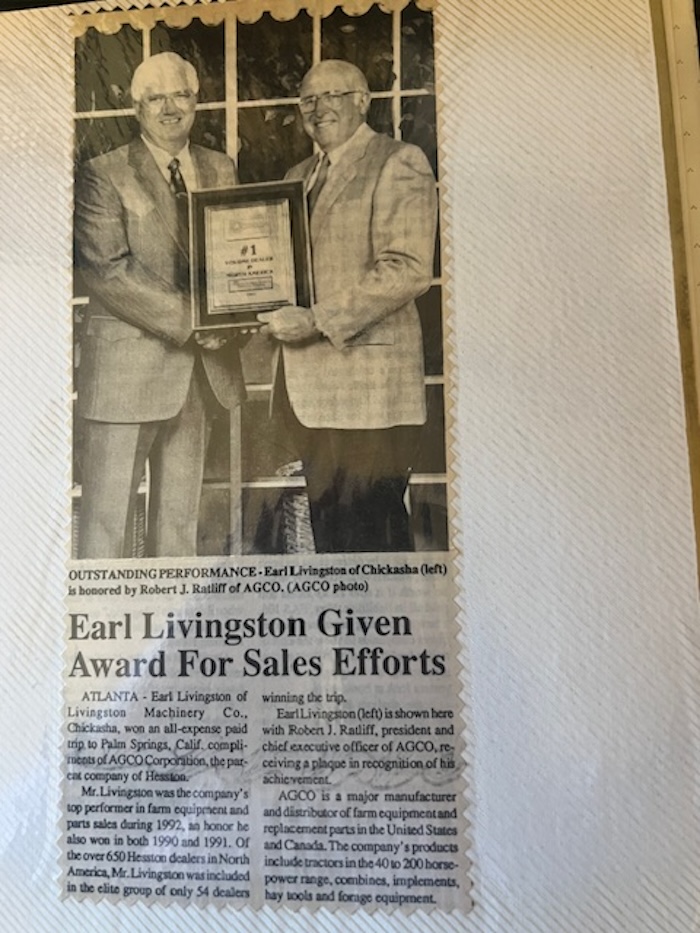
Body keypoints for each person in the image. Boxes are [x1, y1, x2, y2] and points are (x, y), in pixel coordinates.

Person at [259, 60, 437, 553]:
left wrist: (316, 320)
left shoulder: (398, 161)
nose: (319, 108)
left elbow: (406, 268)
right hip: (311, 392)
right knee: (333, 540)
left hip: (371, 393)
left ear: (362, 101)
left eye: (332, 95)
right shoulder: (298, 176)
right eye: (308, 99)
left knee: (373, 540)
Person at [74, 52, 244, 558]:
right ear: (137, 108)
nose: (170, 108)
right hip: (126, 374)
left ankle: (171, 612)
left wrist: (240, 312)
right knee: (106, 528)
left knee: (178, 528)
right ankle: (106, 612)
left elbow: (237, 258)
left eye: (181, 95)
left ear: (196, 102)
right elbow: (108, 270)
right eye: (156, 98)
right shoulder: (103, 172)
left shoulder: (221, 168)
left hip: (201, 375)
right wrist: (197, 322)